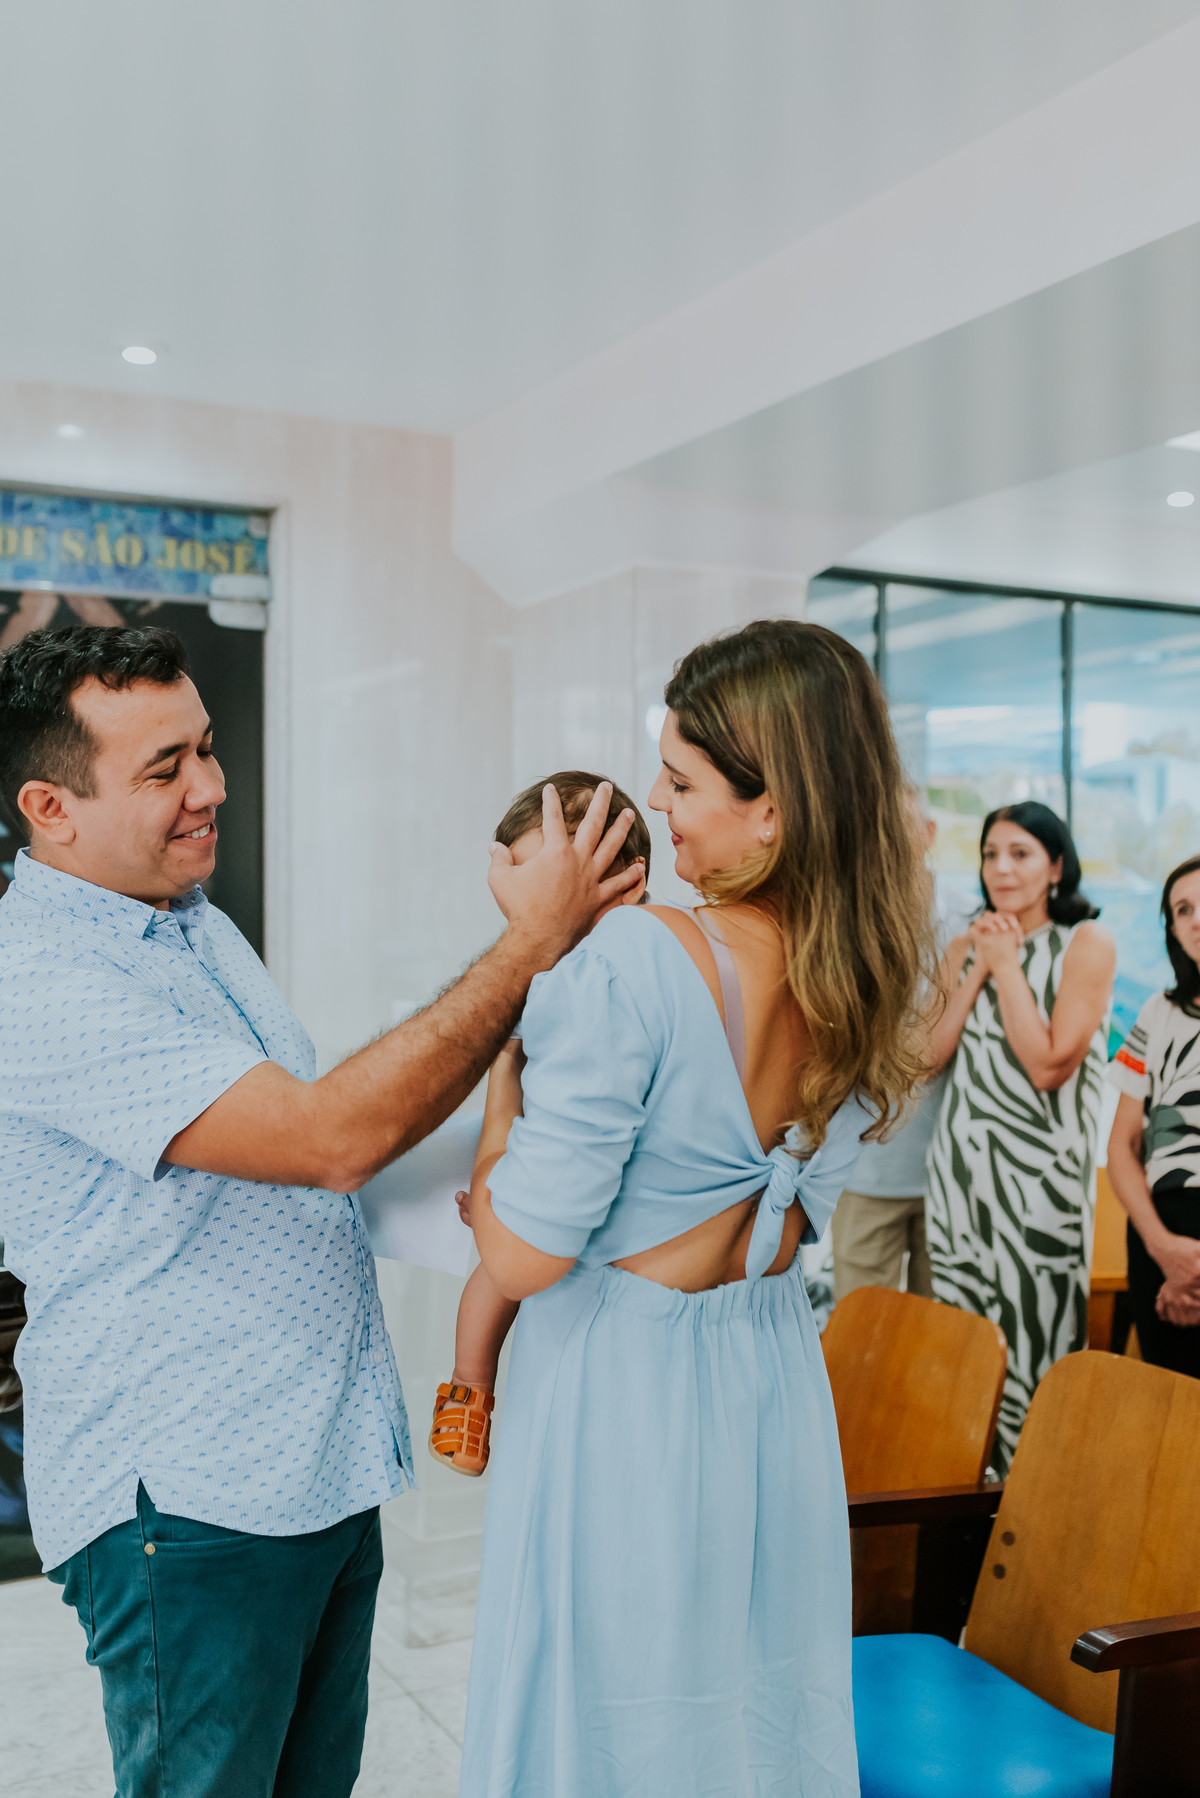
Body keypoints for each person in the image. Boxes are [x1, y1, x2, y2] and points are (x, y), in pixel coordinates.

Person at [0, 623, 639, 1798]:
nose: (211, 788)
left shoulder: (188, 919)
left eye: (206, 748)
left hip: (312, 1469)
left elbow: (286, 1144)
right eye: (165, 769)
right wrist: (529, 942)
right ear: (51, 806)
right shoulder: (41, 982)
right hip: (186, 1509)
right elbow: (329, 1138)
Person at [458, 619, 929, 1796]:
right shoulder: (866, 970)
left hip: (624, 1386)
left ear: (772, 809)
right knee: (751, 1696)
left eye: (681, 782)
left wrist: (508, 1069)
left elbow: (517, 1253)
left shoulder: (637, 959)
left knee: (608, 1710)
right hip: (768, 1368)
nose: (662, 810)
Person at [429, 771, 651, 1476]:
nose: (529, 907)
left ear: (625, 881)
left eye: (546, 879)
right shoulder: (549, 969)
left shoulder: (611, 974)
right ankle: (469, 1391)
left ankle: (472, 1389)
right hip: (548, 1185)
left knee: (497, 1274)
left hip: (601, 1223)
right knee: (487, 1280)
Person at [926, 801, 1115, 1476]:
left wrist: (1005, 965)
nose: (1001, 868)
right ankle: (962, 1513)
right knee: (962, 1344)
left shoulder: (1086, 943)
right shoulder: (966, 944)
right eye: (990, 853)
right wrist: (975, 966)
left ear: (1056, 866)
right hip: (959, 1178)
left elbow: (1047, 1064)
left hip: (1038, 1187)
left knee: (1035, 1344)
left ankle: (1035, 1511)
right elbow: (926, 1058)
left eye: (1021, 853)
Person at [831, 784, 975, 1304]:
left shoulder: (971, 921)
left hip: (950, 1172)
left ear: (930, 833)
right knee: (858, 1334)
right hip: (866, 1166)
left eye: (901, 824)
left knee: (940, 1346)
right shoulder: (843, 925)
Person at [1106, 854, 1200, 1373]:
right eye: (1182, 909)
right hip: (1158, 1246)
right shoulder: (1155, 1013)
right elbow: (1122, 1146)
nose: (1195, 920)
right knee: (1169, 1426)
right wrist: (1164, 1250)